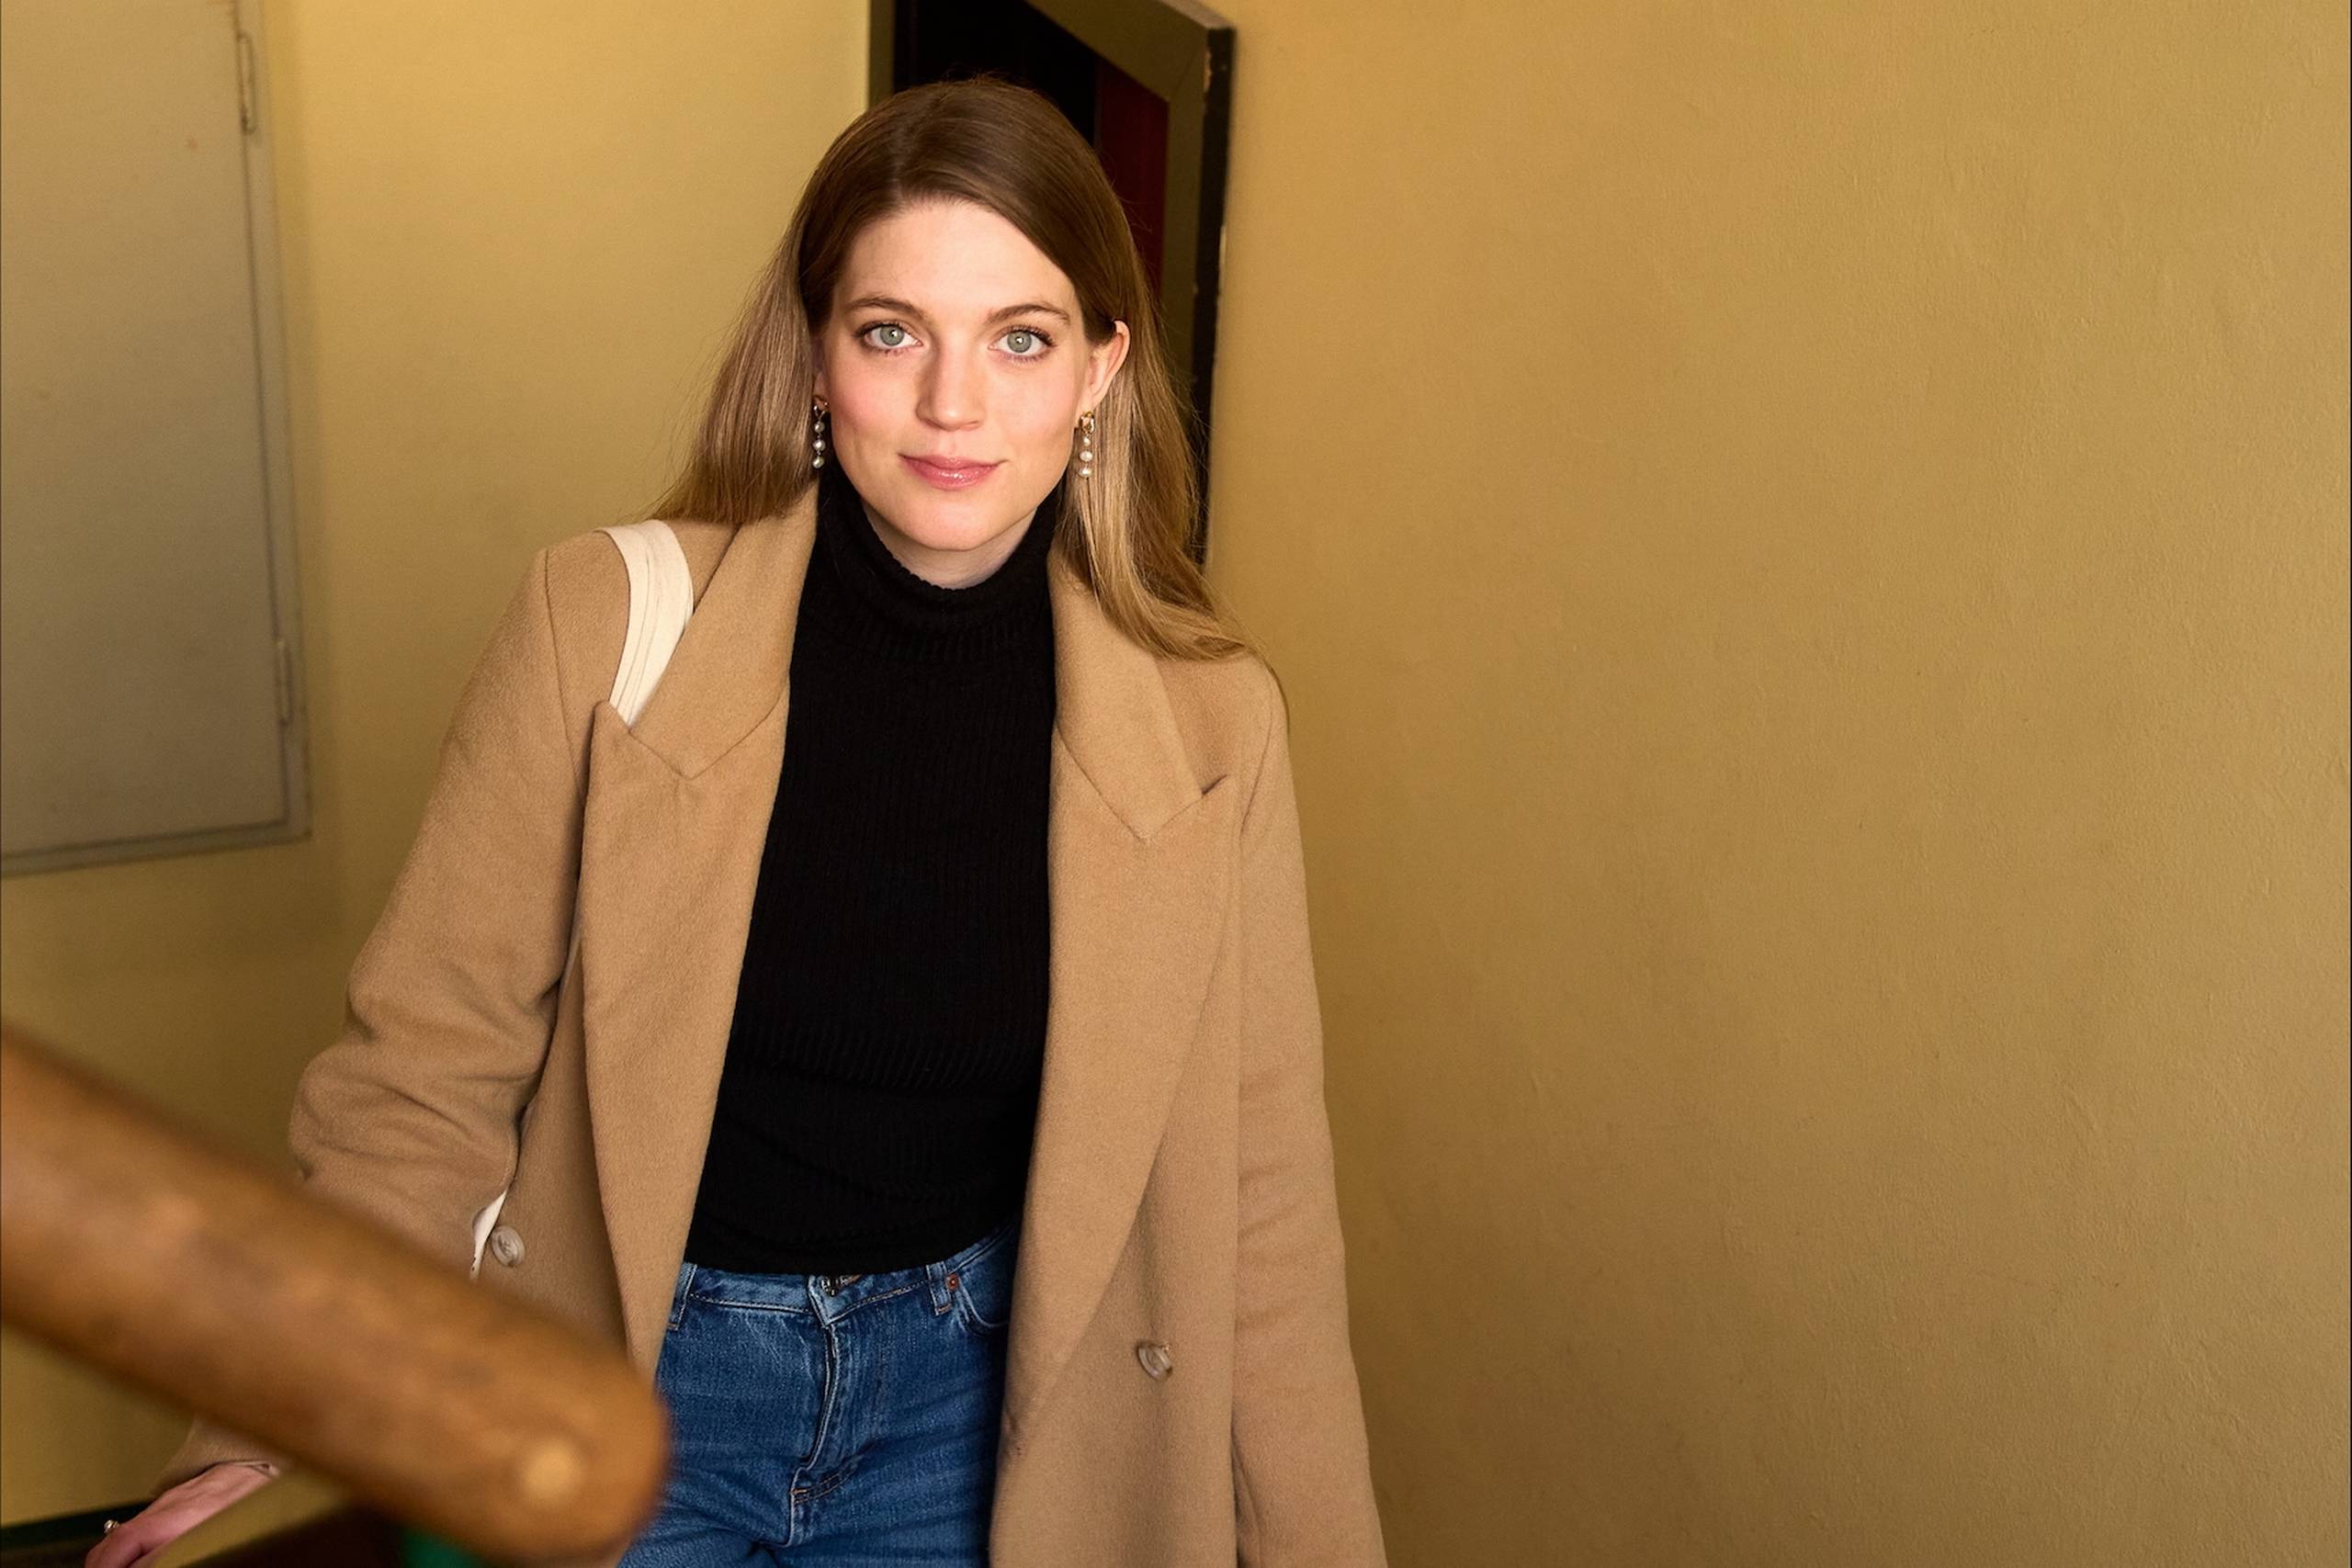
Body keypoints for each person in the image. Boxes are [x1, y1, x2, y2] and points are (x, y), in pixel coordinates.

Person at [95, 74, 1385, 1568]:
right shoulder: (602, 626)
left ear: (1102, 368)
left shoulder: (1214, 726)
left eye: (1019, 339)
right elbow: (423, 1084)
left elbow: (1260, 1210)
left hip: (978, 1418)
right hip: (620, 1384)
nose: (953, 403)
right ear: (819, 354)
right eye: (892, 331)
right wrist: (269, 1432)